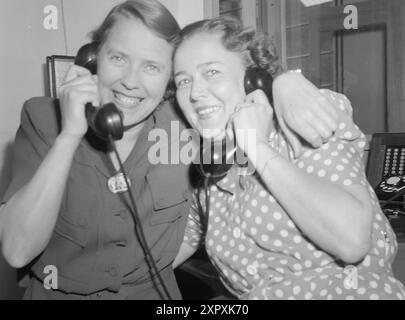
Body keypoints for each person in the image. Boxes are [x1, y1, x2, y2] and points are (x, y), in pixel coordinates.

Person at [0, 0, 341, 300]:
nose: (131, 81)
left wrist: (282, 80)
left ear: (169, 81)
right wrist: (69, 136)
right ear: (92, 59)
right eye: (118, 58)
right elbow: (17, 251)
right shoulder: (44, 119)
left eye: (152, 67)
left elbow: (241, 95)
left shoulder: (187, 122)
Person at [172, 16, 405, 300]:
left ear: (252, 79)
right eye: (183, 81)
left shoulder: (302, 121)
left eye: (211, 72)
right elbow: (168, 251)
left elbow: (352, 240)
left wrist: (257, 146)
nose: (194, 93)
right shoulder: (212, 168)